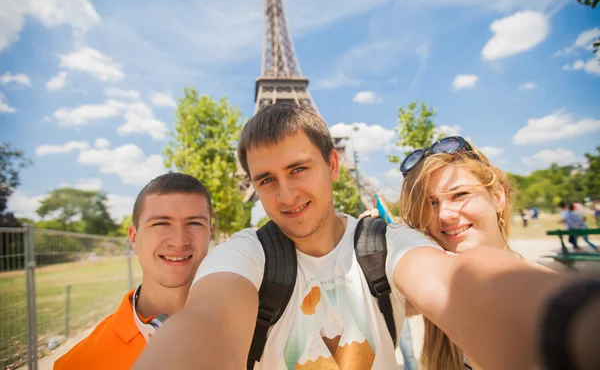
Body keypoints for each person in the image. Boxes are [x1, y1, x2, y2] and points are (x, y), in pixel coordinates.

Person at [134, 104, 569, 370]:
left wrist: (570, 317)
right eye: (266, 180)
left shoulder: (385, 243)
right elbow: (206, 322)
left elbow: (454, 282)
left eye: (299, 169)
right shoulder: (246, 256)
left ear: (333, 165)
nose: (286, 195)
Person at [54, 173, 213, 369]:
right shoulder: (77, 363)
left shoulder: (250, 329)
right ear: (134, 238)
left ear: (210, 234)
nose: (179, 241)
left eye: (194, 223)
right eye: (161, 223)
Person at [396, 138, 517, 370]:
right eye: (430, 203)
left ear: (497, 197)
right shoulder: (441, 291)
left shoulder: (538, 296)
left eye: (459, 194)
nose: (445, 215)